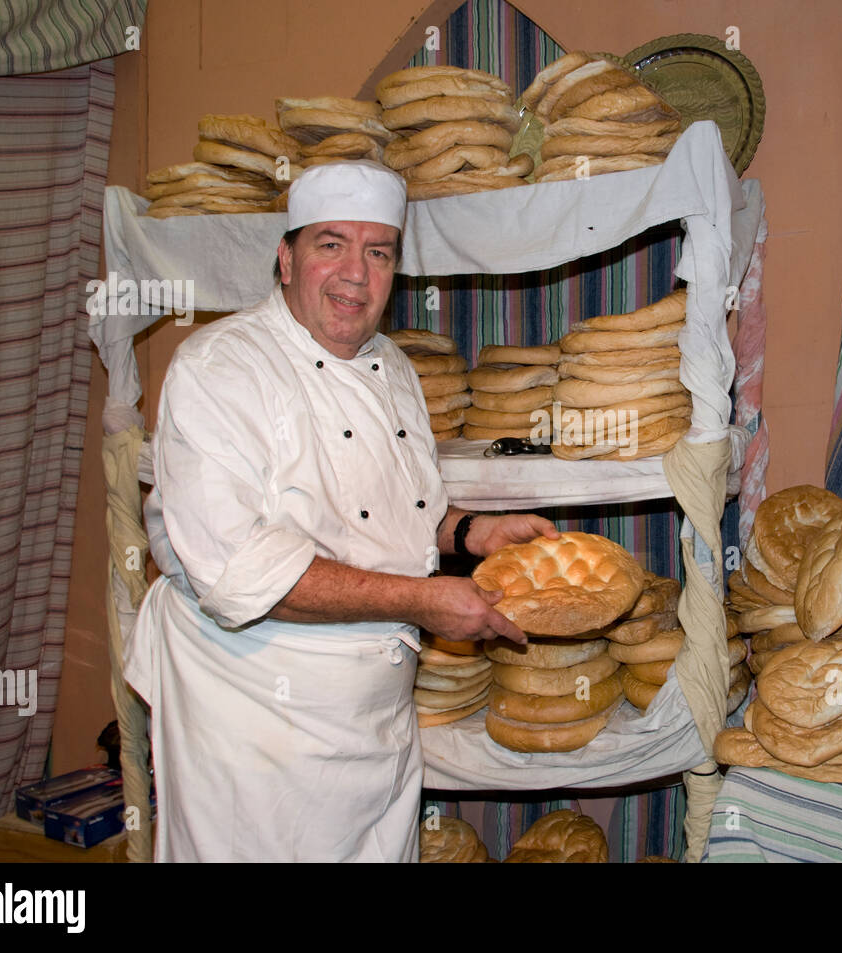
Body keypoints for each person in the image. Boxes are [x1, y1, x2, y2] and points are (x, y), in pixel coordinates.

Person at [124, 160, 557, 862]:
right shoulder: (219, 370)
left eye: (378, 251)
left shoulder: (394, 367)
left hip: (378, 729)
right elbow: (244, 573)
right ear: (285, 258)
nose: (356, 272)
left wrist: (470, 532)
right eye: (331, 244)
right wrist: (422, 601)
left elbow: (397, 507)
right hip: (256, 733)